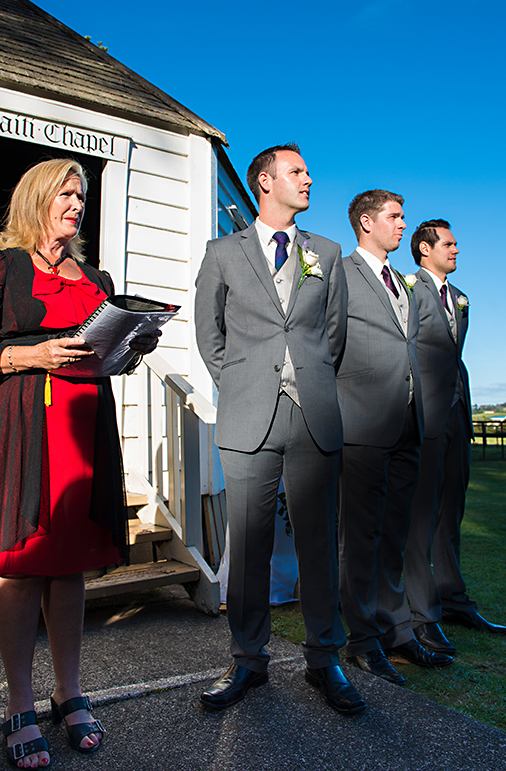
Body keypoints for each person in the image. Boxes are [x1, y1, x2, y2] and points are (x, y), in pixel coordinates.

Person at [0, 159, 158, 768]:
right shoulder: (0, 262)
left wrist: (131, 346)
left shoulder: (95, 274)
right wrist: (35, 354)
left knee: (67, 567)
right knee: (19, 566)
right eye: (67, 193)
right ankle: (19, 705)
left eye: (83, 194)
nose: (77, 203)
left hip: (82, 430)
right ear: (37, 197)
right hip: (19, 426)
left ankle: (68, 692)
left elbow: (103, 353)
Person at [194, 143, 364, 715]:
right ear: (265, 182)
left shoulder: (329, 252)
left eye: (309, 171)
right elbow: (208, 334)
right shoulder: (222, 252)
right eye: (298, 171)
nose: (309, 179)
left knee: (320, 542)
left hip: (313, 413)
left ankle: (326, 659)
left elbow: (333, 337)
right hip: (248, 413)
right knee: (249, 544)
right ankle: (247, 660)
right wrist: (240, 384)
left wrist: (308, 379)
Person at [337, 191, 452, 686]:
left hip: (409, 424)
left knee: (394, 535)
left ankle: (396, 631)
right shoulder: (340, 273)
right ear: (366, 222)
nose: (403, 225)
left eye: (403, 216)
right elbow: (325, 344)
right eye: (394, 216)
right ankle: (362, 640)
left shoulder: (403, 285)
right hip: (361, 424)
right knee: (361, 537)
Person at [405, 219, 506, 655]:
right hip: (422, 415)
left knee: (452, 511)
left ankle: (453, 599)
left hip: (457, 414)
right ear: (425, 250)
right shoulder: (408, 290)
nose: (456, 250)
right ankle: (421, 611)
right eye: (448, 244)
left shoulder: (460, 298)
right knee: (421, 515)